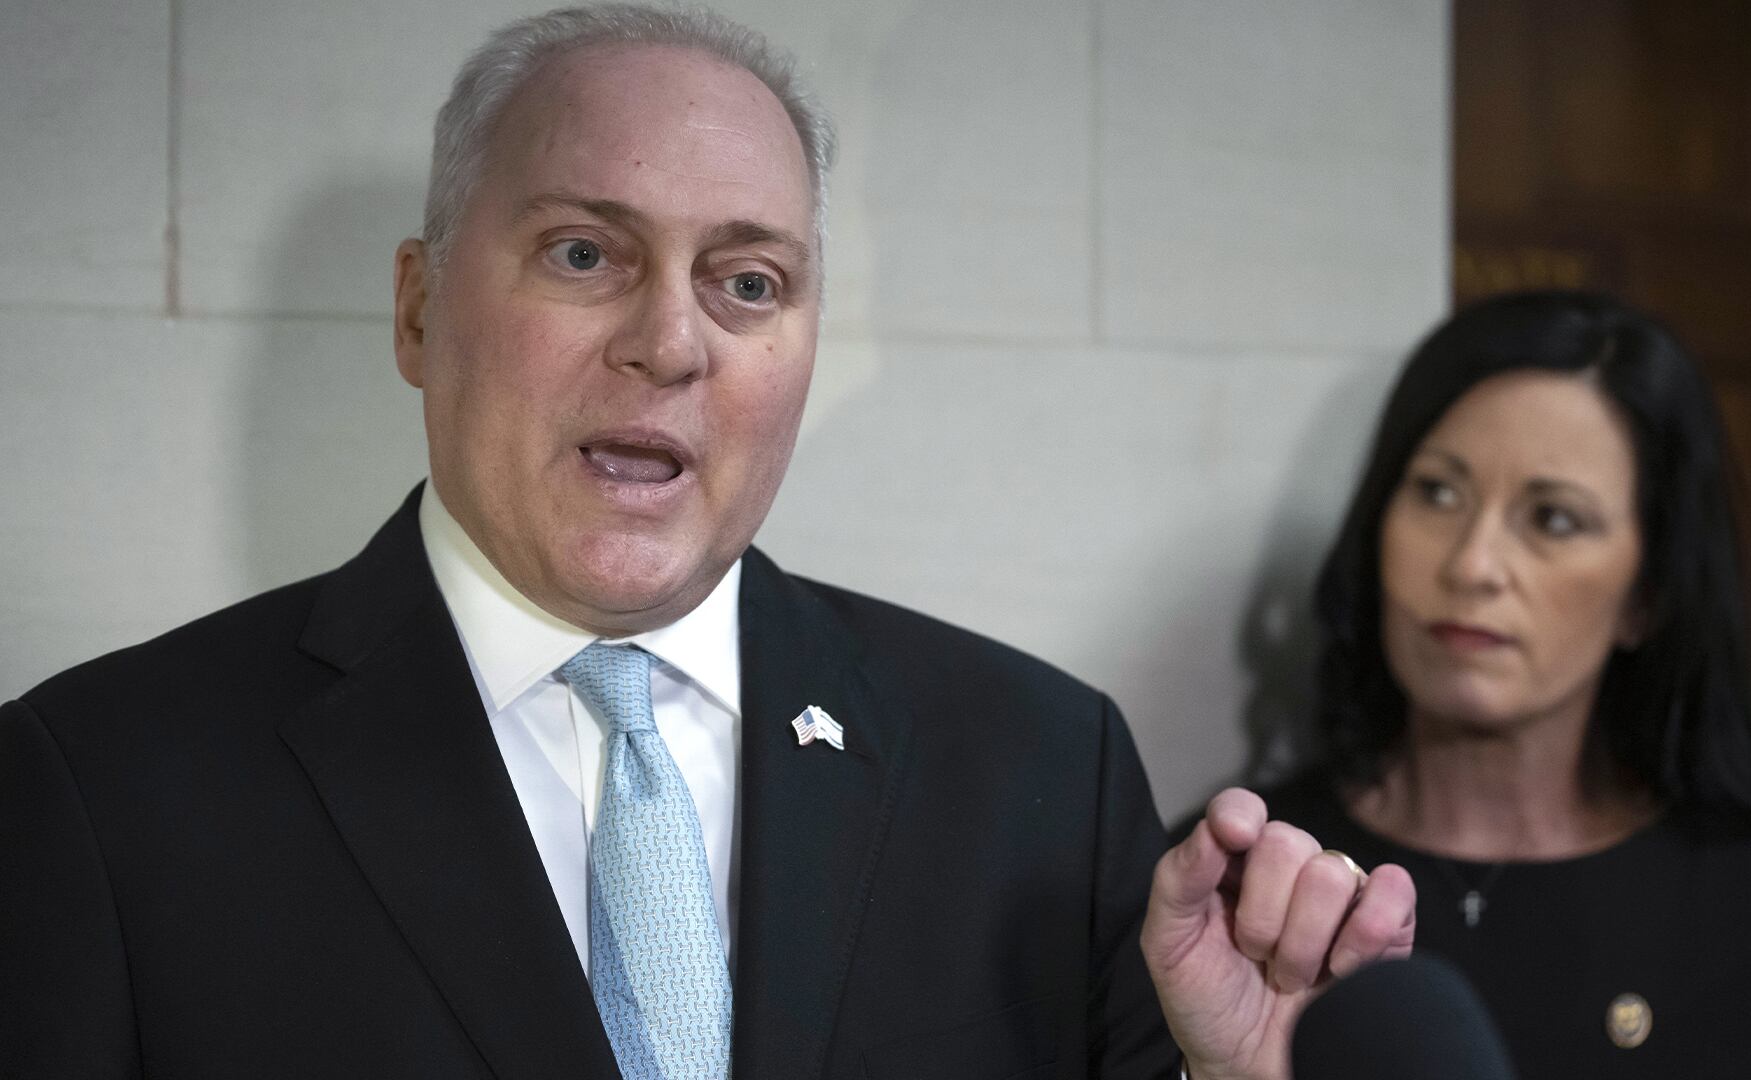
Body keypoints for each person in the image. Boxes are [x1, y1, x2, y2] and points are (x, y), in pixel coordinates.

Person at [0, 6, 1413, 1078]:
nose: (670, 342)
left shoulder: (1042, 771)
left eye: (747, 282)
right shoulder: (102, 792)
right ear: (420, 310)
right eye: (584, 254)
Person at [1243, 290, 1751, 1079]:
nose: (1472, 565)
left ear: (1646, 596)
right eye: (1438, 492)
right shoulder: (1258, 874)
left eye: (1554, 519)